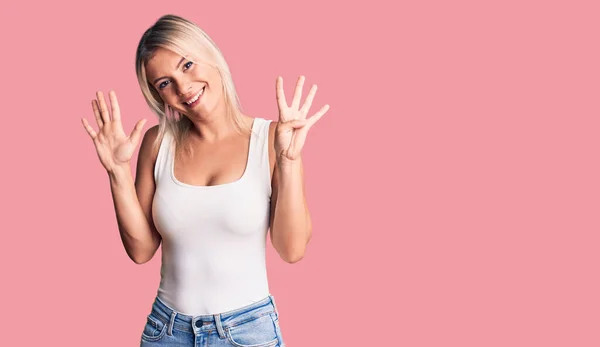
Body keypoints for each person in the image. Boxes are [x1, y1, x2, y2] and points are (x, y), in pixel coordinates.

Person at [81, 14, 329, 346]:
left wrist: (289, 160)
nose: (183, 88)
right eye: (165, 83)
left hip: (247, 332)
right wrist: (117, 173)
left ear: (210, 55)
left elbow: (292, 249)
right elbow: (140, 251)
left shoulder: (271, 139)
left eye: (187, 65)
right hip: (166, 331)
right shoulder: (158, 142)